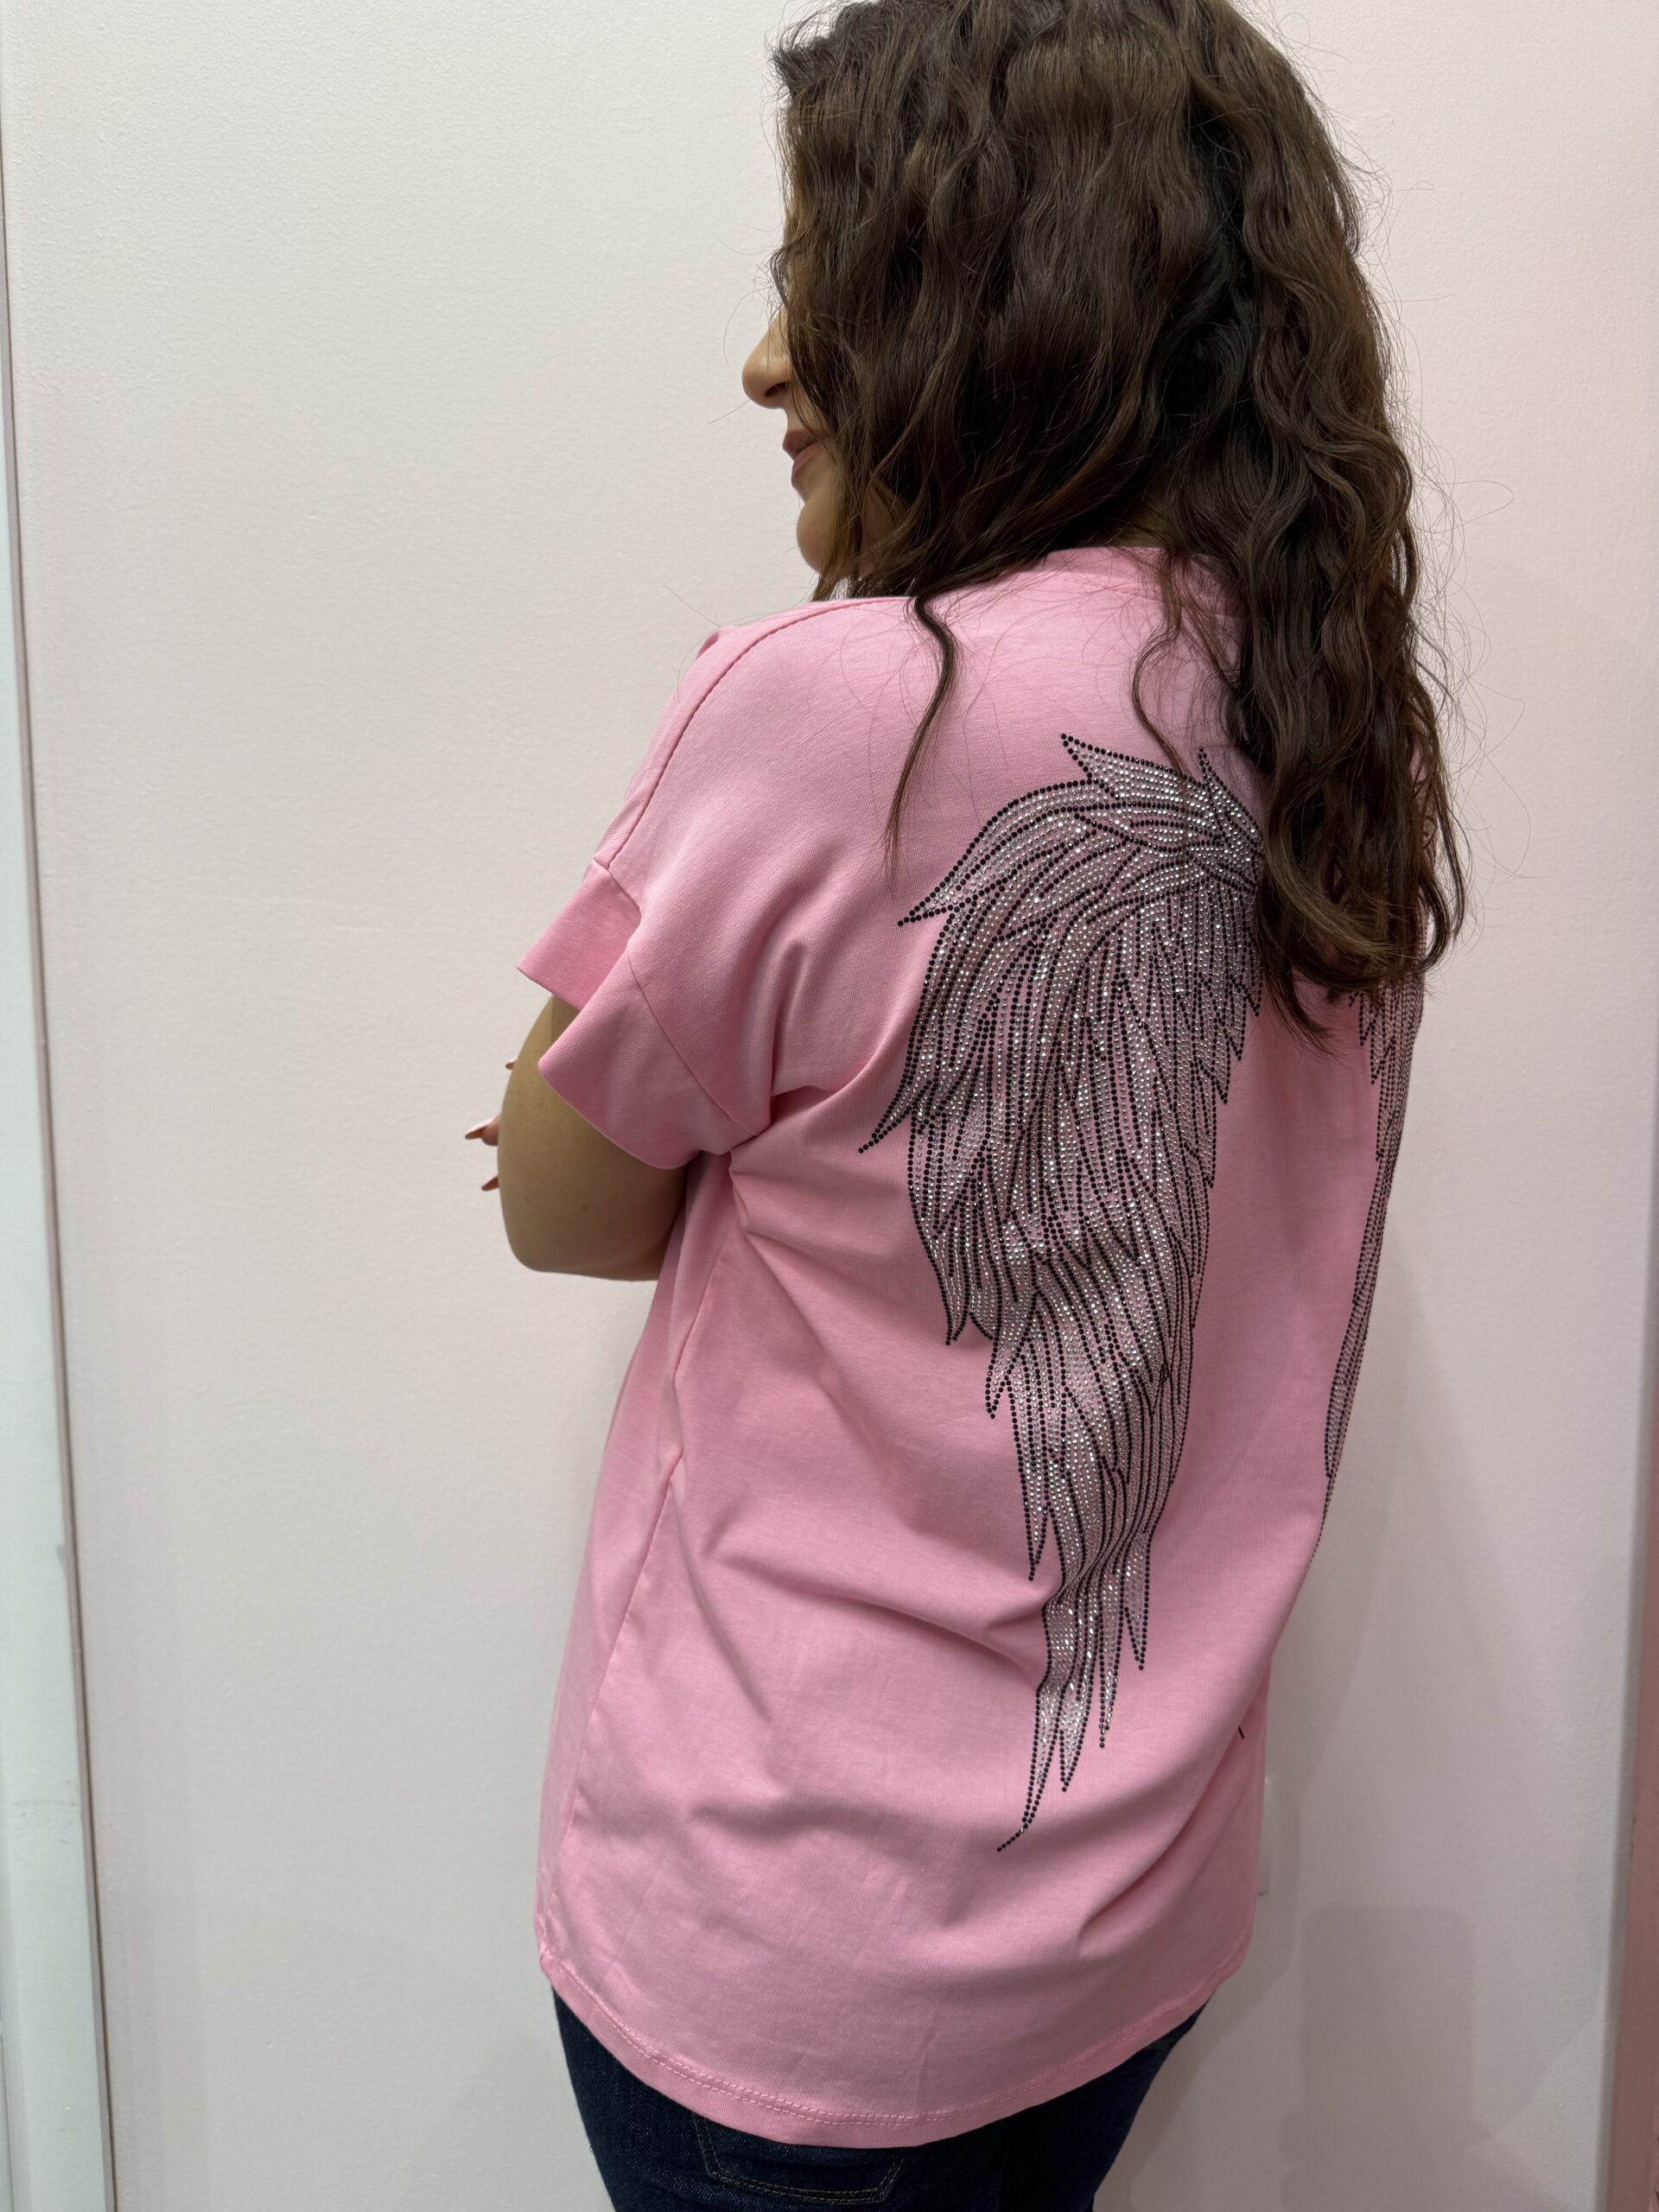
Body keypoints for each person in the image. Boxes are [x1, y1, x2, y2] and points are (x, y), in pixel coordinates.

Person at [467, 2, 1468, 2203]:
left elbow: (564, 1203)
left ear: (1003, 298)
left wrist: (598, 1059)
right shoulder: (1325, 705)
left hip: (796, 1942)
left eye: (823, 280)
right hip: (1131, 1899)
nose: (768, 363)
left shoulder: (851, 706)